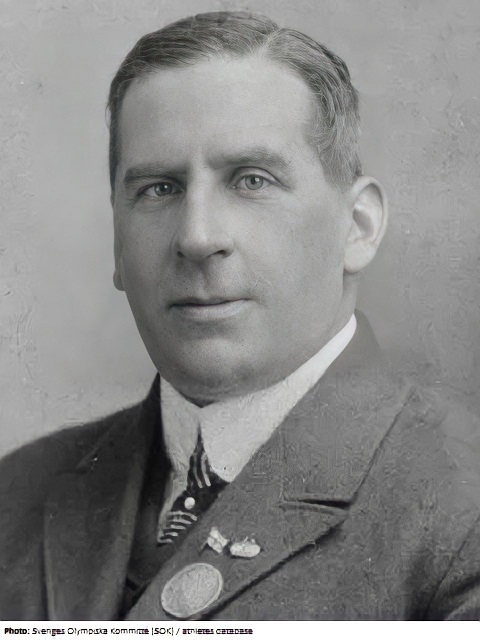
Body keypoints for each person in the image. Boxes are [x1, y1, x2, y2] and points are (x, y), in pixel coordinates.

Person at [0, 11, 479, 621]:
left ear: (357, 228)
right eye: (158, 189)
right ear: (118, 246)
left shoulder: (460, 511)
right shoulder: (17, 493)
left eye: (252, 181)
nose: (197, 237)